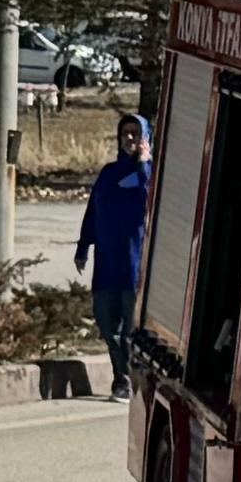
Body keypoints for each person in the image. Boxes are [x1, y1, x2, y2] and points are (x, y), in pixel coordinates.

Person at [78, 112, 153, 391]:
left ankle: (125, 381)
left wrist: (144, 165)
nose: (130, 138)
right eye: (126, 133)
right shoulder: (109, 173)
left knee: (129, 332)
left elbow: (149, 199)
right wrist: (84, 246)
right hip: (107, 264)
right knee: (108, 325)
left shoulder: (150, 173)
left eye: (136, 133)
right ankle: (122, 374)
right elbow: (94, 210)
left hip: (135, 266)